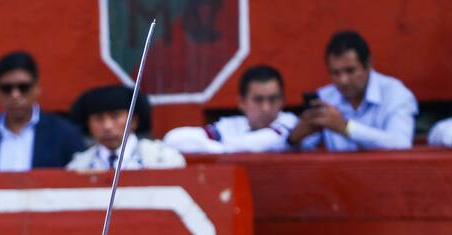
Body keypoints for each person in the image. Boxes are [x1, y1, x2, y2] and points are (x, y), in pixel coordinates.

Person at [288, 31, 417, 151]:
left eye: (350, 71)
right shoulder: (325, 97)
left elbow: (401, 143)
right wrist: (295, 138)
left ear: (368, 64)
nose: (343, 80)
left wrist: (346, 127)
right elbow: (305, 146)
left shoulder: (396, 94)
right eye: (335, 73)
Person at [0, 51, 85, 170]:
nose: (15, 95)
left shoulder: (65, 134)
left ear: (37, 87)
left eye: (23, 87)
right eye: (6, 88)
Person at [164, 65, 298, 154]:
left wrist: (216, 147)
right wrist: (223, 148)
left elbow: (266, 142)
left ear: (282, 100)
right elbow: (173, 139)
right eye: (258, 100)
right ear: (242, 102)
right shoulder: (230, 125)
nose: (266, 108)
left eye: (273, 99)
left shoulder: (291, 122)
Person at [66, 85, 185, 171]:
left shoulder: (163, 159)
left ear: (134, 120)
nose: (107, 126)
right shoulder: (78, 166)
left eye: (115, 116)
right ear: (88, 124)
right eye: (99, 118)